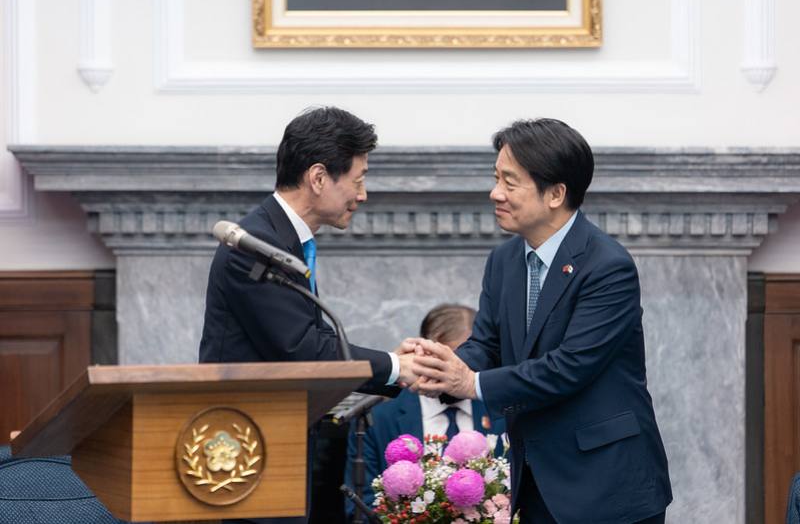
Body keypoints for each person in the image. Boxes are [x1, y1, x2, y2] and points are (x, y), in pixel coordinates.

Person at [408, 119, 672, 523]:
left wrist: (470, 382)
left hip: (607, 487)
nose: (495, 193)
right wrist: (440, 363)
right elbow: (487, 345)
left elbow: (569, 368)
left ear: (555, 193)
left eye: (510, 182)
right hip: (537, 482)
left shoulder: (607, 266)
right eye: (496, 178)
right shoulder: (503, 261)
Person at [199, 107, 415, 523]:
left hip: (274, 443)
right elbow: (304, 349)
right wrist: (395, 366)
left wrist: (392, 364)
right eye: (358, 180)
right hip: (243, 451)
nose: (363, 194)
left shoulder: (281, 239)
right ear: (318, 178)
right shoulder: (256, 246)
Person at [343, 304, 506, 515]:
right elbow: (360, 507)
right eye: (448, 362)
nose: (456, 373)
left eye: (470, 363)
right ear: (424, 353)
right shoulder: (379, 419)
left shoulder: (502, 412)